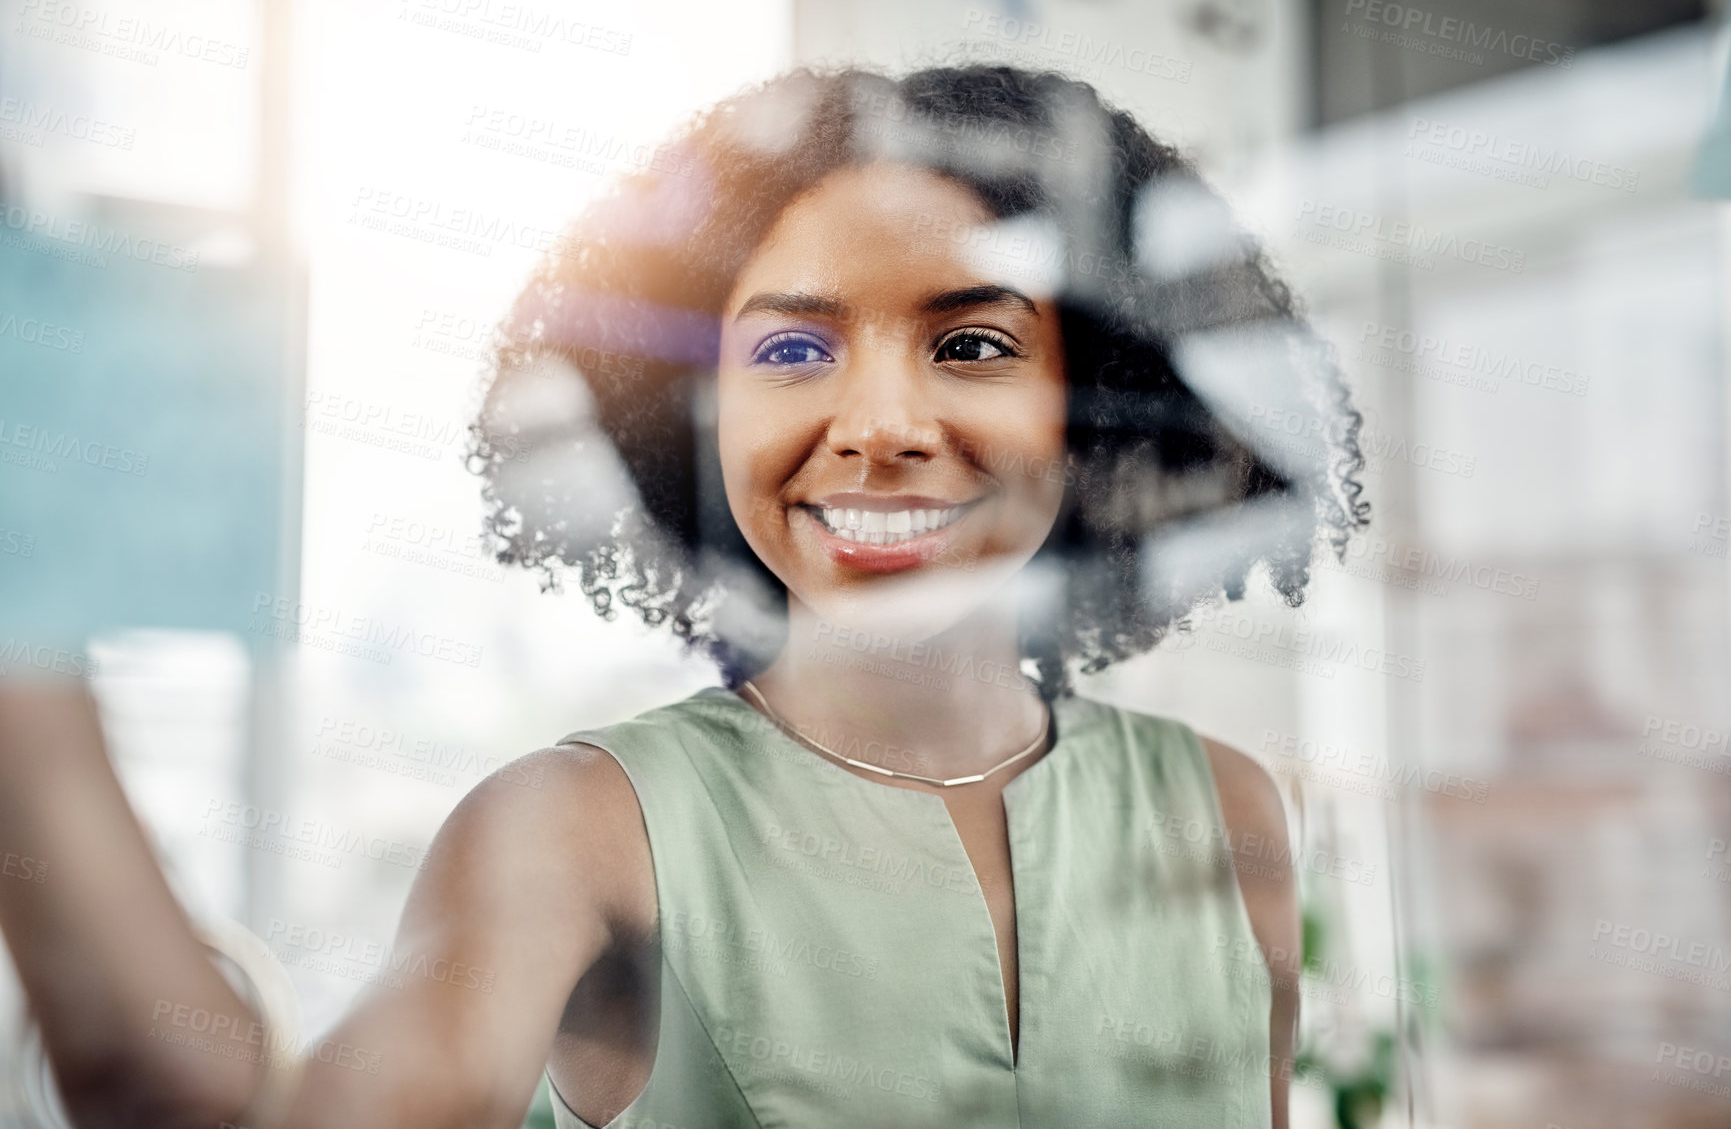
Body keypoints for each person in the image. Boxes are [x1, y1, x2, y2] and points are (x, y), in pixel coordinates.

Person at [0, 64, 1367, 1129]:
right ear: (695, 420)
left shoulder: (1228, 813)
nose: (878, 421)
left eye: (968, 342)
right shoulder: (581, 830)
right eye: (791, 346)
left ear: (1084, 405)